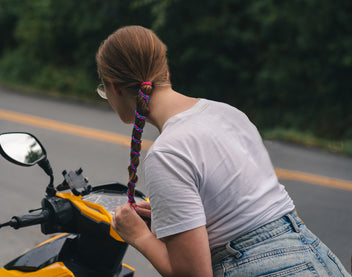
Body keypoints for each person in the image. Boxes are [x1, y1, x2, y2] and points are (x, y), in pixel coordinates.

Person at [95, 25, 350, 277]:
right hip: (318, 258)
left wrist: (137, 235)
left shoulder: (166, 154)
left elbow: (194, 274)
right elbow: (240, 207)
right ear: (165, 70)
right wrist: (174, 219)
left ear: (114, 87)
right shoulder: (227, 112)